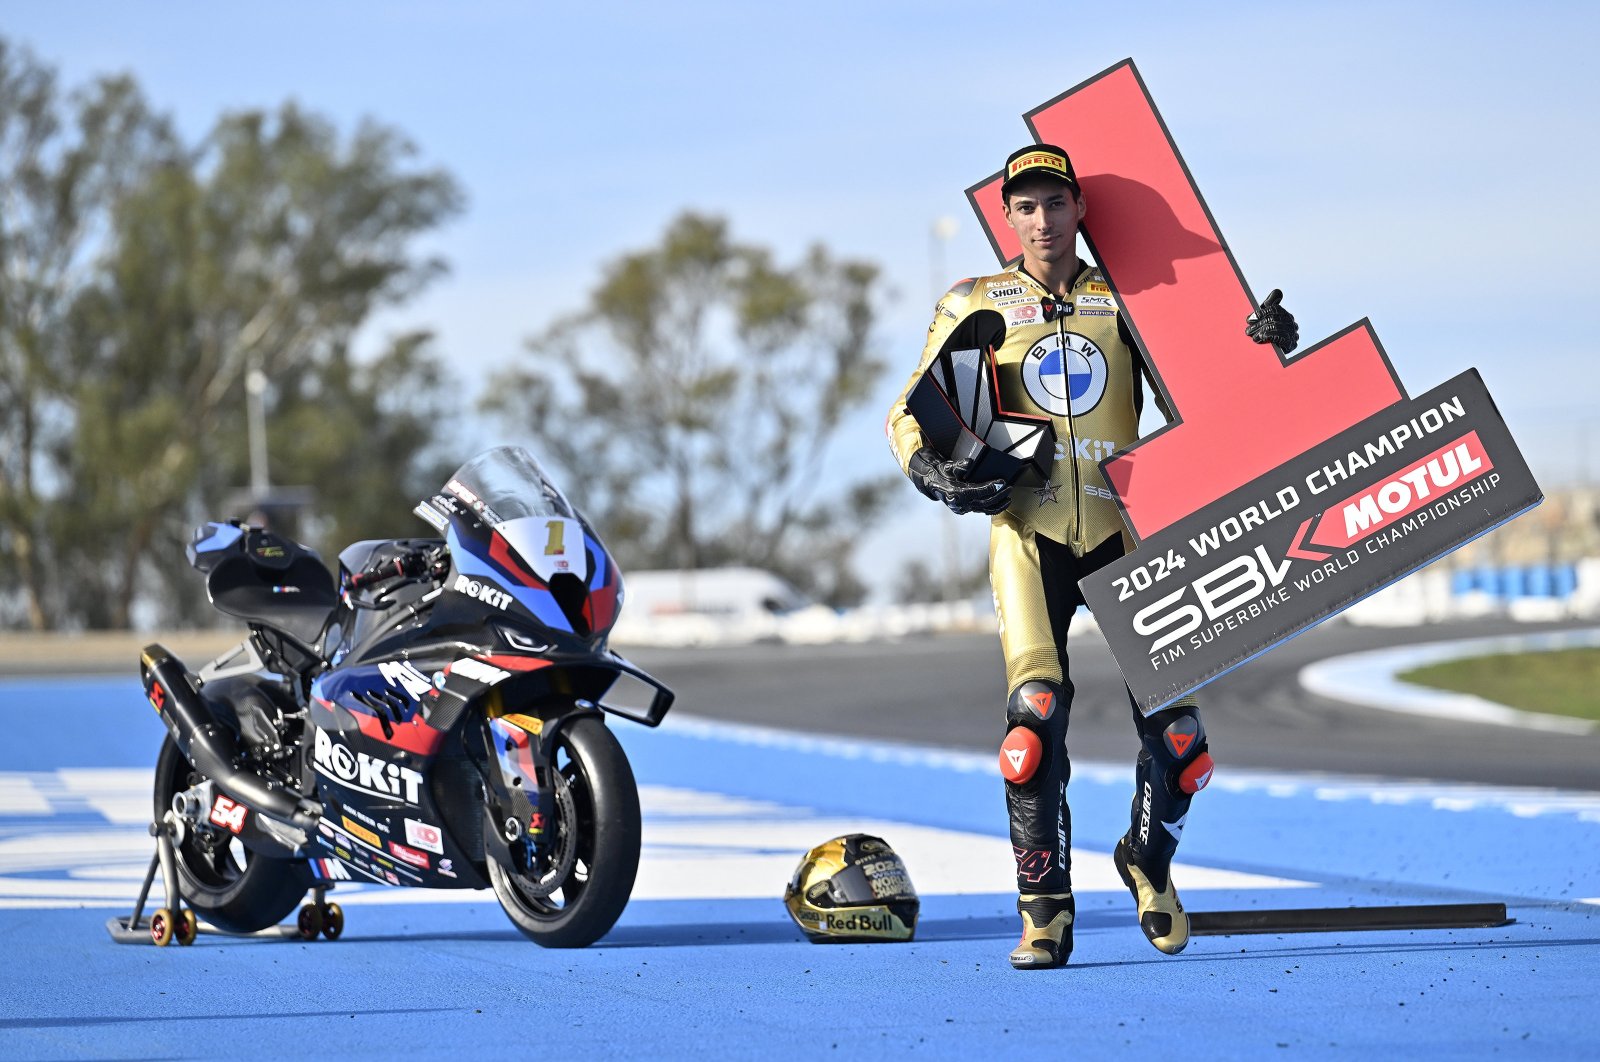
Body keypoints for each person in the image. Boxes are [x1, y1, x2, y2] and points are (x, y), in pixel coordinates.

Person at [884, 144, 1298, 969]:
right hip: (1027, 532)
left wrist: (1266, 345)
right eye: (1026, 206)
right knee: (1030, 728)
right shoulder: (973, 299)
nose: (1043, 220)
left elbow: (1219, 387)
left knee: (1183, 743)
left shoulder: (1135, 301)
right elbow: (911, 409)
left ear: (1080, 210)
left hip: (1129, 530)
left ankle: (1147, 862)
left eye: (1056, 203)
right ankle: (1044, 911)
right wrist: (927, 467)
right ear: (1008, 216)